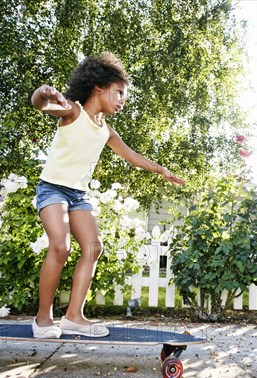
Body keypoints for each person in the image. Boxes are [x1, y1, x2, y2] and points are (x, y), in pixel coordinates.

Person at [30, 52, 186, 339]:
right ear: (98, 88)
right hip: (52, 188)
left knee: (93, 248)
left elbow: (133, 157)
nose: (122, 100)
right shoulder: (72, 112)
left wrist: (162, 170)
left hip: (78, 195)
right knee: (60, 247)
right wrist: (43, 92)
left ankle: (74, 317)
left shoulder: (106, 130)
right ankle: (42, 319)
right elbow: (41, 104)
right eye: (119, 93)